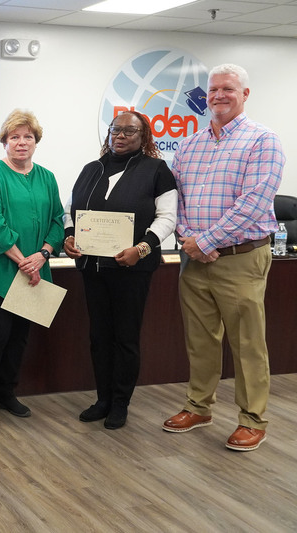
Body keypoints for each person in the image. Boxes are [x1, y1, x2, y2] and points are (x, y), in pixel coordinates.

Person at [162, 64, 285, 451]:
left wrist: (207, 240)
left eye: (228, 89)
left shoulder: (263, 141)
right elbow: (175, 197)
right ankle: (199, 406)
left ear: (245, 94)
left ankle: (253, 419)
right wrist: (187, 237)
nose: (218, 95)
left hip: (240, 257)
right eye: (213, 89)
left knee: (247, 343)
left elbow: (254, 204)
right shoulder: (189, 144)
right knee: (200, 340)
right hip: (194, 257)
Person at [63, 110, 177, 429]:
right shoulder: (91, 169)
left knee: (125, 337)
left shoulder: (157, 170)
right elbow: (69, 211)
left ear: (144, 138)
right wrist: (69, 235)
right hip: (93, 268)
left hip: (132, 270)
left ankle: (120, 402)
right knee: (100, 336)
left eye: (130, 131)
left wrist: (140, 249)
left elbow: (168, 218)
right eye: (116, 130)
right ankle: (102, 398)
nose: (121, 136)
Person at [0, 109, 64, 425]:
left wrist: (44, 254)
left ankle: (6, 394)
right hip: (2, 270)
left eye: (27, 137)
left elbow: (57, 221)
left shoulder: (47, 177)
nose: (21, 143)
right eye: (14, 137)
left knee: (20, 336)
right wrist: (25, 261)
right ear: (5, 141)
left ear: (36, 141)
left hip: (37, 269)